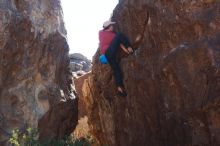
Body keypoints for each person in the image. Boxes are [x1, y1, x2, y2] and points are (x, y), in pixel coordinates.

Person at [98, 20, 134, 97]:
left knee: (116, 70)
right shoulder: (112, 35)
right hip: (109, 52)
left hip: (107, 56)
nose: (113, 27)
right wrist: (128, 48)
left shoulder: (101, 33)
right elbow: (120, 42)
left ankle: (120, 88)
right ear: (108, 27)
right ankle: (130, 48)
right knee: (120, 35)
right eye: (111, 26)